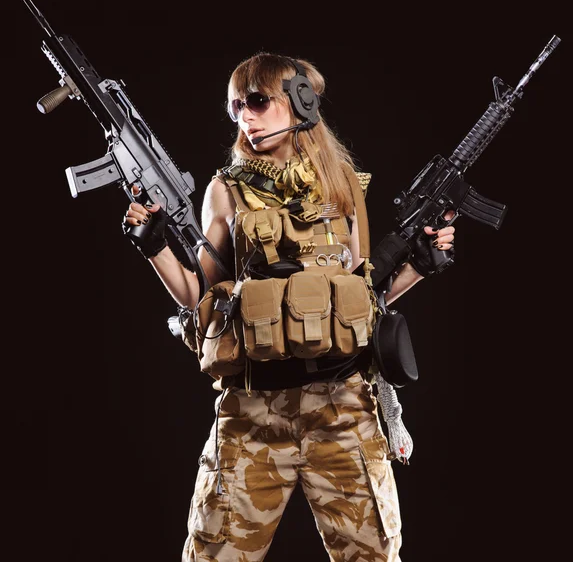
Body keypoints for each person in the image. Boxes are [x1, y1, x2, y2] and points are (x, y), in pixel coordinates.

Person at [122, 52, 455, 562]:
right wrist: (154, 246)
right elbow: (200, 300)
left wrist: (421, 265)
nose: (245, 117)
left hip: (341, 409)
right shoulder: (225, 191)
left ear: (300, 101)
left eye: (257, 101)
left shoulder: (342, 183)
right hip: (253, 413)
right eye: (236, 107)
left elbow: (364, 296)